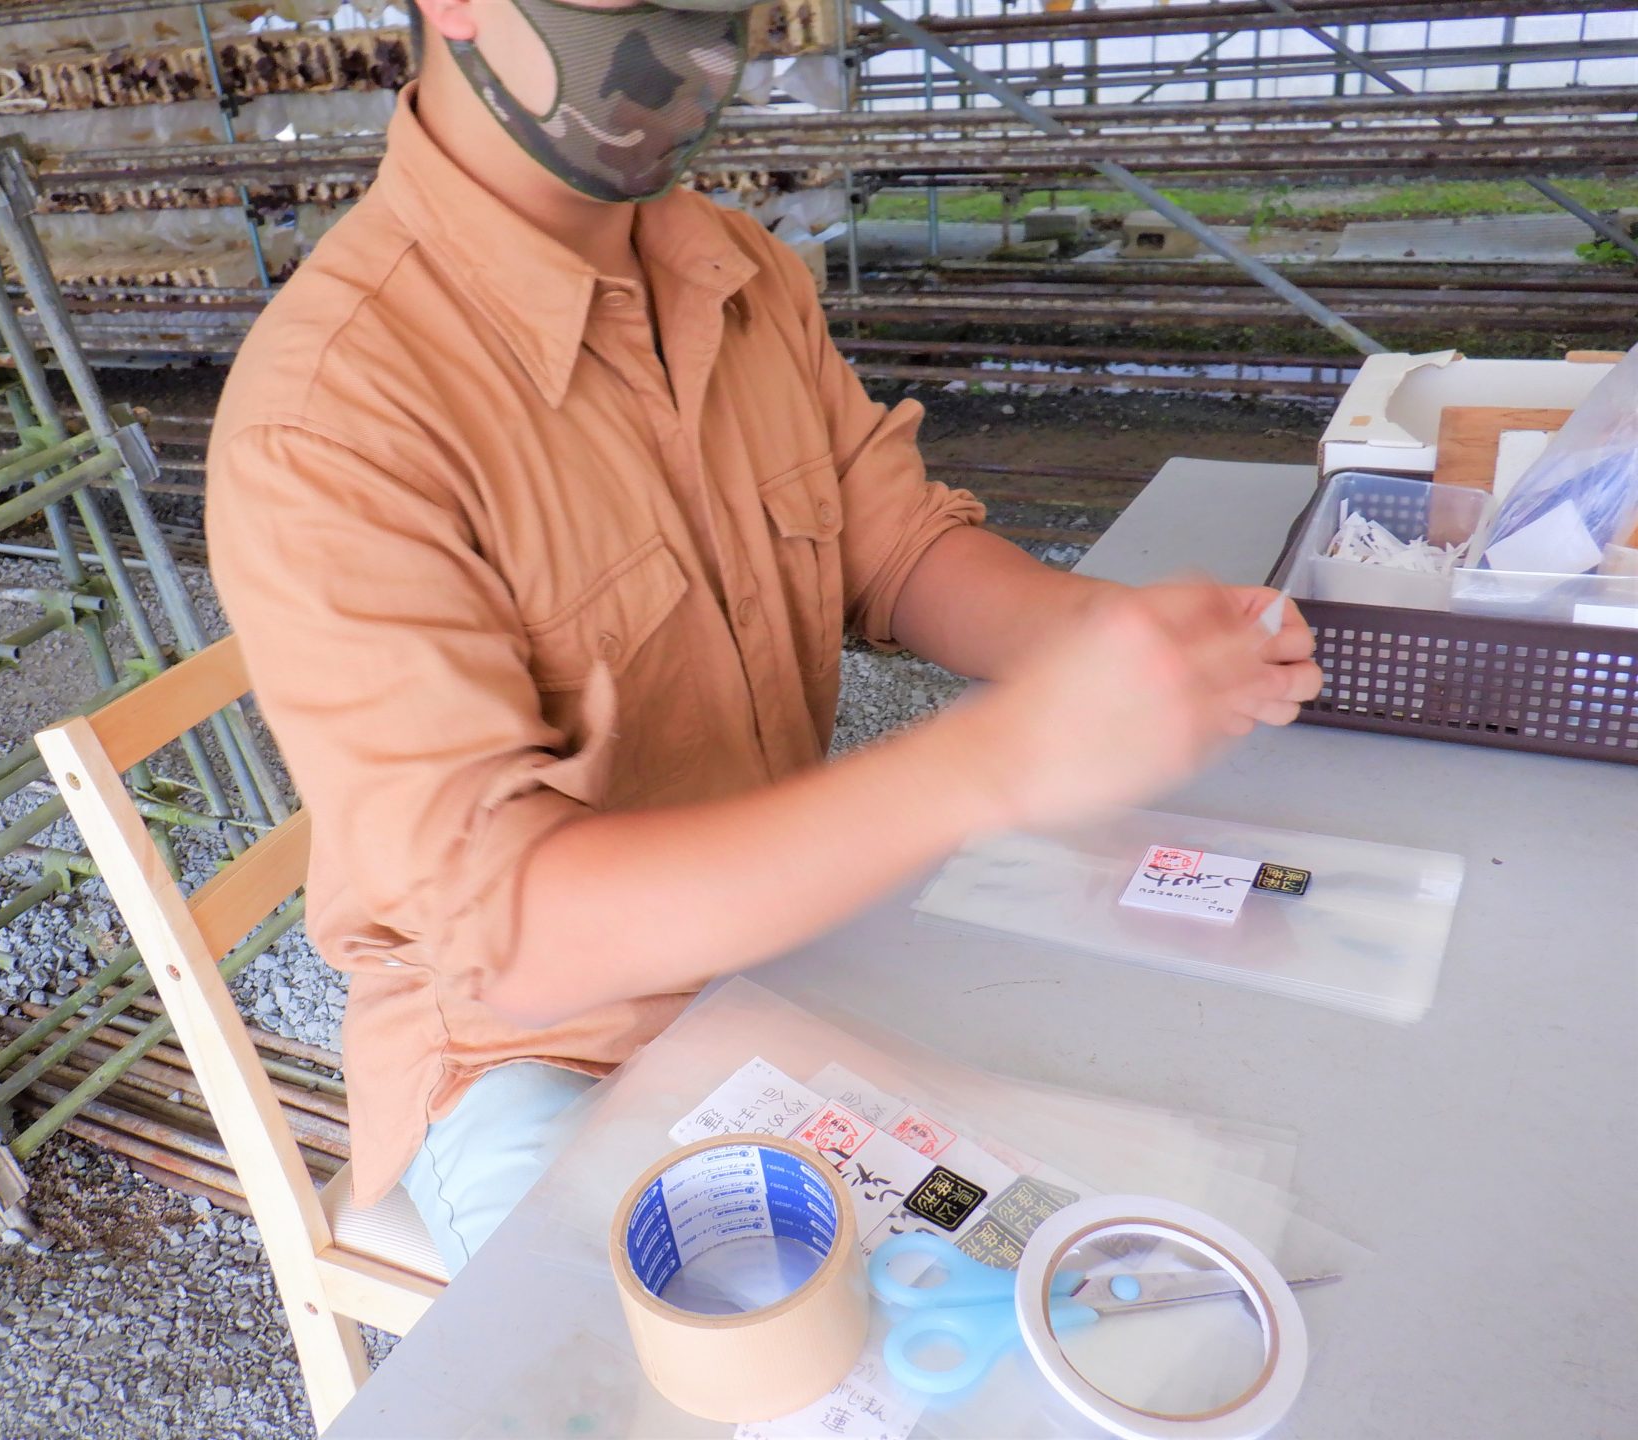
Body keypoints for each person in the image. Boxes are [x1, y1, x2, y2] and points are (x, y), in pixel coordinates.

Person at [205, 0, 1323, 1276]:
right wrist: (995, 764)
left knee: (1170, 1219)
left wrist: (1112, 638)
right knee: (798, 1353)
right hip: (547, 1058)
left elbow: (893, 547)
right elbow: (519, 933)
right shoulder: (332, 420)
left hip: (797, 945)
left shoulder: (732, 270)